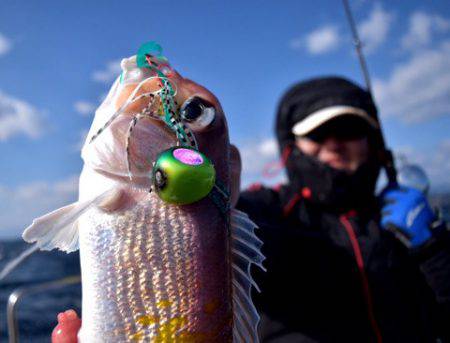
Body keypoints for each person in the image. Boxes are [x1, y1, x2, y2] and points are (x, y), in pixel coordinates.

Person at [236, 76, 450, 342]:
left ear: (372, 141)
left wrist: (434, 249)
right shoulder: (268, 212)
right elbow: (218, 217)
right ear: (292, 144)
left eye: (348, 129)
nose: (334, 144)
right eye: (317, 134)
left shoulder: (406, 222)